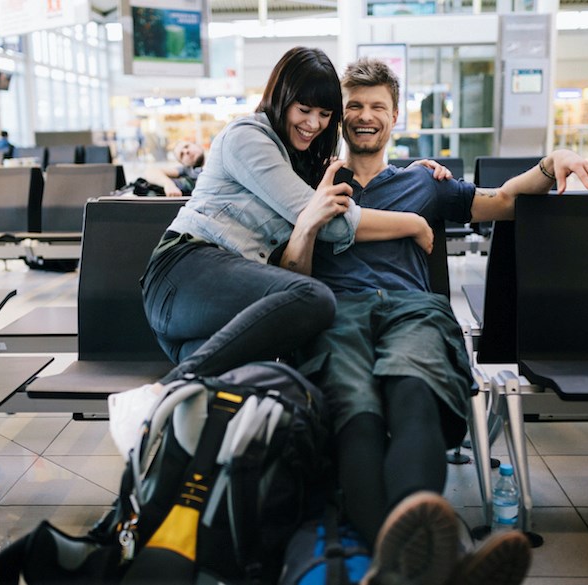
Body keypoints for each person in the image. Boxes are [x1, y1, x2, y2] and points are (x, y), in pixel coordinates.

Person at [284, 58, 588, 585]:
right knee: (354, 409)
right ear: (340, 115)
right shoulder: (306, 182)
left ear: (396, 118)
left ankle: (400, 564)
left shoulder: (423, 183)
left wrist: (553, 163)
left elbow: (502, 202)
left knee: (414, 393)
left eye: (378, 107)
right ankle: (430, 565)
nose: (365, 116)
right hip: (334, 310)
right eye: (355, 106)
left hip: (413, 309)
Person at [140, 46, 435, 385]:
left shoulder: (300, 161)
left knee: (244, 382)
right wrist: (413, 223)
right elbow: (333, 224)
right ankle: (157, 396)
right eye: (304, 109)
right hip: (185, 275)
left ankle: (167, 407)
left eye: (325, 114)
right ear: (281, 97)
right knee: (314, 299)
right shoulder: (247, 137)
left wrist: (411, 172)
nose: (313, 124)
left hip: (211, 314)